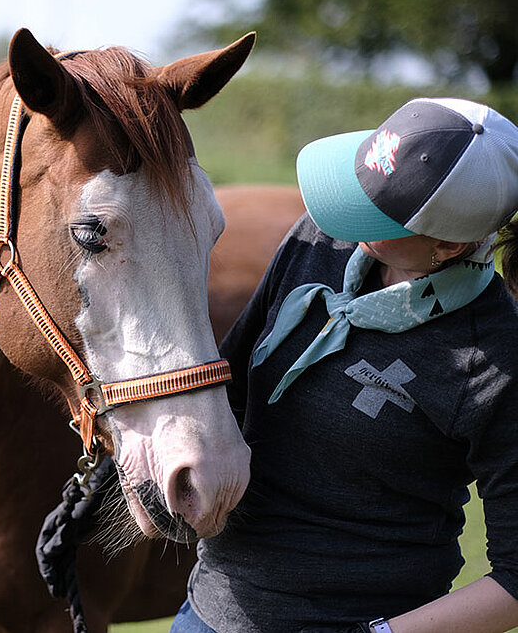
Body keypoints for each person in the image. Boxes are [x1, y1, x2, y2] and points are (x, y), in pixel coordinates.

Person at [172, 97, 518, 633]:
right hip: (210, 611)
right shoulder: (319, 241)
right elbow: (231, 384)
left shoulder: (495, 359)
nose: (347, 209)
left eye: (376, 210)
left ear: (447, 245)